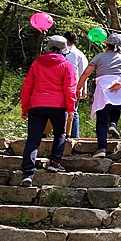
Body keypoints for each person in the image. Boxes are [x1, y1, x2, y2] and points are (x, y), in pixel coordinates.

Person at [19, 35, 77, 186]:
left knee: (32, 140)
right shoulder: (66, 65)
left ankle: (27, 173)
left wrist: (25, 107)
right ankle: (55, 163)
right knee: (60, 134)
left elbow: (27, 86)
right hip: (58, 105)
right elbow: (69, 88)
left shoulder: (36, 64)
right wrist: (71, 109)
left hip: (36, 105)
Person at [77, 33, 121, 157]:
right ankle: (113, 124)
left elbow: (86, 73)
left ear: (107, 46)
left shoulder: (98, 58)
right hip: (118, 87)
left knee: (101, 121)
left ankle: (101, 148)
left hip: (103, 87)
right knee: (116, 109)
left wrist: (79, 87)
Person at [63, 31, 88, 138]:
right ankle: (74, 136)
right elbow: (84, 73)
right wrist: (84, 88)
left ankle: (60, 134)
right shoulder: (79, 54)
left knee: (58, 110)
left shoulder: (60, 52)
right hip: (75, 86)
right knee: (73, 110)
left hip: (59, 85)